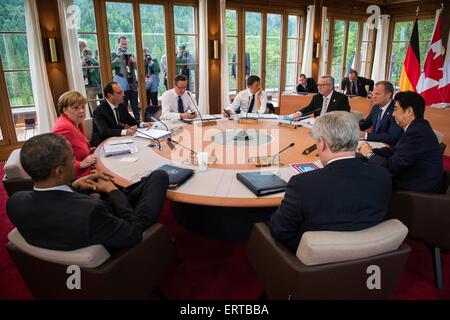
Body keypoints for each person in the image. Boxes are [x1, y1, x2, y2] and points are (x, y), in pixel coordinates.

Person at [7, 133, 169, 252]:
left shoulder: (15, 202)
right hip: (120, 236)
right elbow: (133, 233)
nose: (75, 162)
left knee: (147, 182)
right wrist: (112, 190)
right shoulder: (91, 211)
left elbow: (56, 206)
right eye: (72, 158)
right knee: (160, 176)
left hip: (91, 225)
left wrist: (74, 186)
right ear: (59, 171)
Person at [270, 111, 392, 253]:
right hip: (371, 256)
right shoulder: (382, 175)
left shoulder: (302, 184)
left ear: (321, 143)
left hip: (315, 262)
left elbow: (280, 232)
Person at [359, 91, 443, 193]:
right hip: (414, 178)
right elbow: (395, 151)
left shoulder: (417, 133)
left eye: (395, 109)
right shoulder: (417, 127)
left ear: (409, 111)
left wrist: (369, 154)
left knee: (365, 178)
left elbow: (391, 168)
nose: (393, 114)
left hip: (417, 190)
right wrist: (371, 151)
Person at [91, 82, 151, 147]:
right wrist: (125, 132)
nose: (123, 94)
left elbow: (131, 121)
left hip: (117, 140)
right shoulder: (99, 111)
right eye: (119, 93)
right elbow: (104, 131)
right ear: (110, 96)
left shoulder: (121, 106)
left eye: (122, 92)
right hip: (102, 143)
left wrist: (141, 124)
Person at [52, 91, 96, 179]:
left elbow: (75, 146)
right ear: (65, 110)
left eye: (83, 107)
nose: (82, 111)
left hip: (87, 169)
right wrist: (80, 164)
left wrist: (88, 150)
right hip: (77, 176)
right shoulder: (64, 127)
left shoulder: (76, 122)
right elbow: (56, 158)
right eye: (76, 108)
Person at [359, 81, 403, 145]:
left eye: (377, 94)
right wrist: (352, 129)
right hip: (375, 144)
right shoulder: (376, 107)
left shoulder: (395, 110)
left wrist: (366, 135)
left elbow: (392, 137)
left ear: (388, 95)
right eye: (373, 94)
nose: (373, 97)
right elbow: (366, 123)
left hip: (388, 148)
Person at [111, 36, 140, 122]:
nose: (124, 45)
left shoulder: (131, 54)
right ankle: (124, 122)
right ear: (118, 44)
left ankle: (138, 121)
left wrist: (134, 62)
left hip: (132, 81)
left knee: (135, 103)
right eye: (122, 43)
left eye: (125, 43)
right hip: (122, 81)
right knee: (124, 103)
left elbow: (136, 68)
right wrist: (117, 60)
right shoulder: (114, 54)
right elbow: (110, 67)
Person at [81, 47, 101, 114]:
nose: (86, 56)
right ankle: (90, 117)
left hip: (93, 85)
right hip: (85, 85)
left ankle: (95, 117)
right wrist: (82, 66)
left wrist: (92, 70)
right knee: (86, 104)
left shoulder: (95, 63)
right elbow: (81, 75)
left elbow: (97, 77)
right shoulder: (82, 62)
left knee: (93, 104)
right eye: (84, 55)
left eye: (88, 54)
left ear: (91, 54)